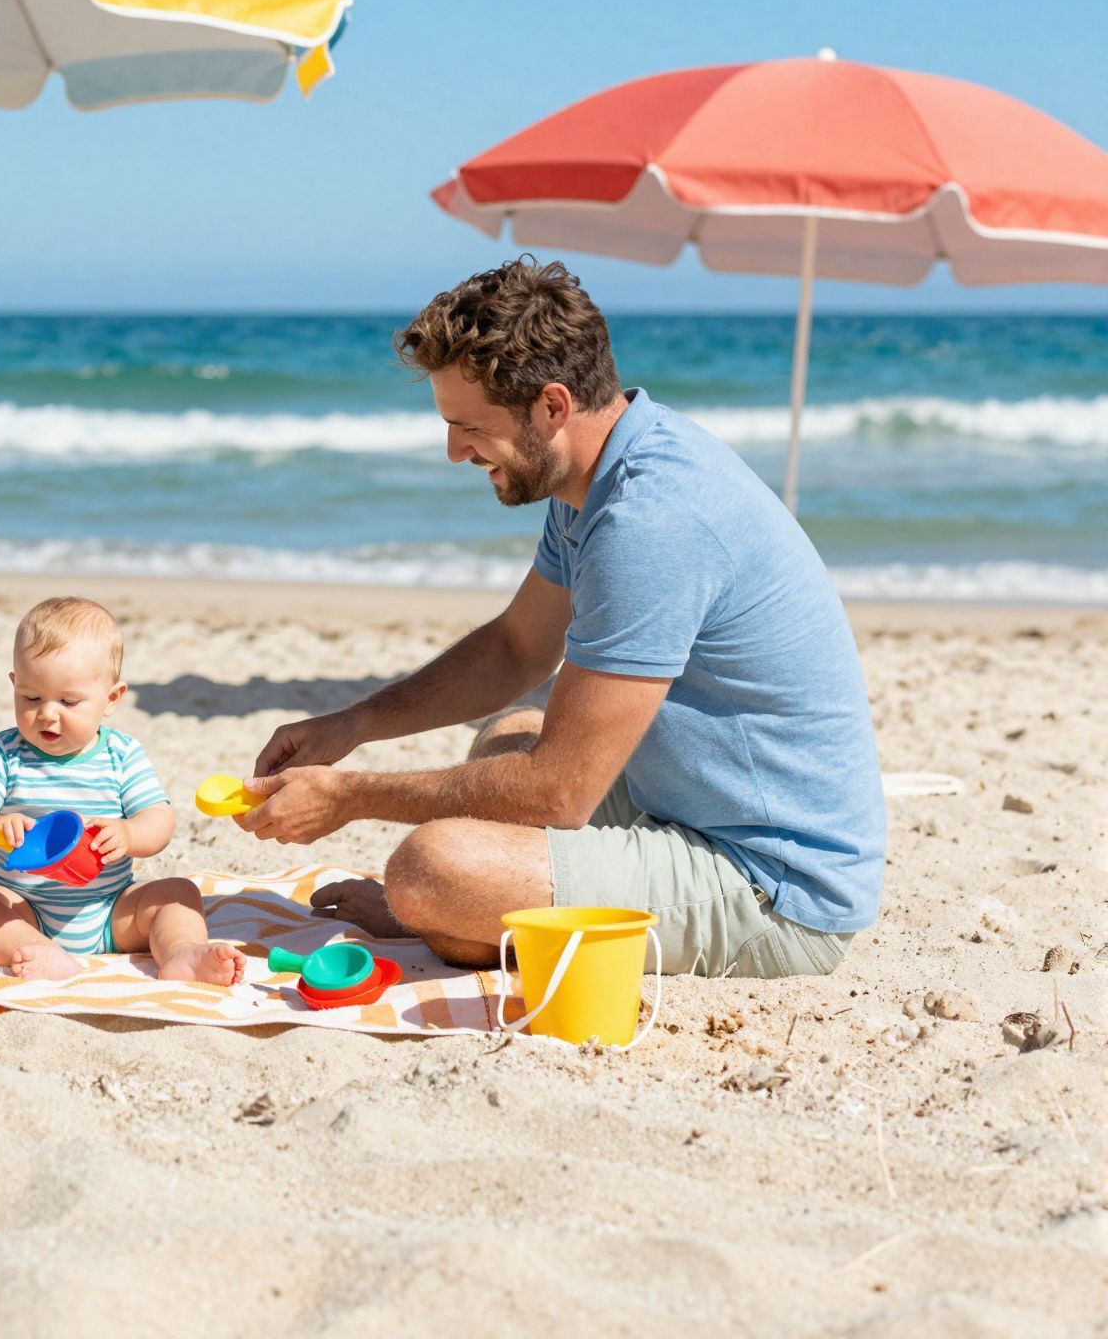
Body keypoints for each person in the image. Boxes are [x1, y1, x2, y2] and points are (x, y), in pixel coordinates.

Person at [238, 258, 885, 979]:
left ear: (552, 405)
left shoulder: (650, 517)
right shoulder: (599, 477)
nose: (455, 452)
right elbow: (515, 648)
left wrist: (351, 799)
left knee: (429, 866)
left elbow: (561, 793)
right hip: (676, 808)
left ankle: (449, 915)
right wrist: (348, 728)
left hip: (774, 890)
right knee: (510, 734)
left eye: (468, 426)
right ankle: (464, 916)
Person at [0, 598, 247, 986]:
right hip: (25, 910)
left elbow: (159, 818)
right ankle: (38, 951)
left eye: (69, 701)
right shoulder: (5, 752)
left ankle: (180, 954)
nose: (48, 713)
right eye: (31, 698)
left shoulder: (122, 754)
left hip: (111, 910)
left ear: (112, 699)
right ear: (14, 685)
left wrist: (128, 834)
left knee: (178, 893)